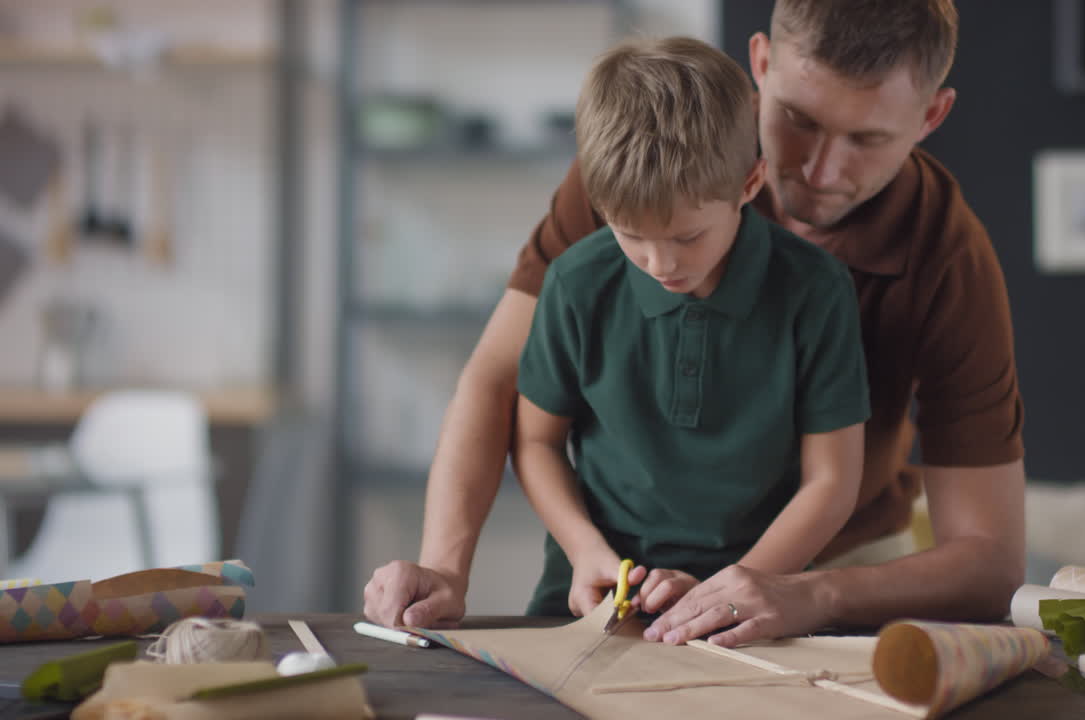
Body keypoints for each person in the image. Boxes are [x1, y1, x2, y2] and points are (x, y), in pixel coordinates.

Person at [364, 0, 1026, 648]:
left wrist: (808, 592)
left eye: (868, 138)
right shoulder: (643, 173)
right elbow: (495, 382)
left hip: (841, 566)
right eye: (796, 119)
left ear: (931, 116)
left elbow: (989, 562)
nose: (820, 171)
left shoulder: (948, 258)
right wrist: (446, 570)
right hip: (626, 579)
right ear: (761, 63)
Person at [514, 36, 870, 619]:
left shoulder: (816, 290)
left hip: (756, 597)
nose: (661, 265)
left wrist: (736, 588)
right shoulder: (576, 283)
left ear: (749, 185)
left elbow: (831, 483)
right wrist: (585, 551)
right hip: (592, 595)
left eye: (687, 237)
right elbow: (535, 442)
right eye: (631, 235)